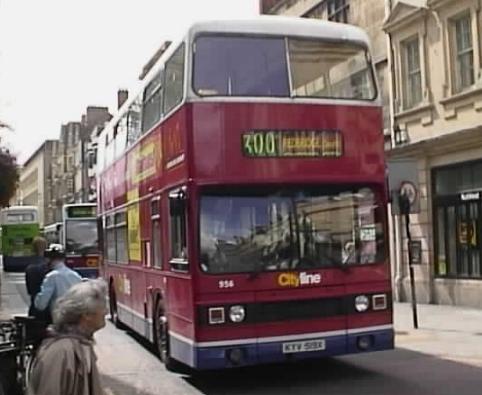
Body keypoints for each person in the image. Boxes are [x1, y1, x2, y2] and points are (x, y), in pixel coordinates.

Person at [28, 279, 107, 395]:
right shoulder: (61, 352)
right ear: (86, 314)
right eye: (103, 307)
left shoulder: (83, 345)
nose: (106, 312)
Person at [34, 244, 82, 321]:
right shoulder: (76, 275)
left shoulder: (51, 277)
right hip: (76, 320)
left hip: (59, 320)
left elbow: (41, 305)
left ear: (49, 259)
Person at [25, 236, 50, 320]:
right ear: (46, 247)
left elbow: (29, 291)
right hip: (50, 309)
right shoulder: (50, 265)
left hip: (35, 307)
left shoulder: (30, 267)